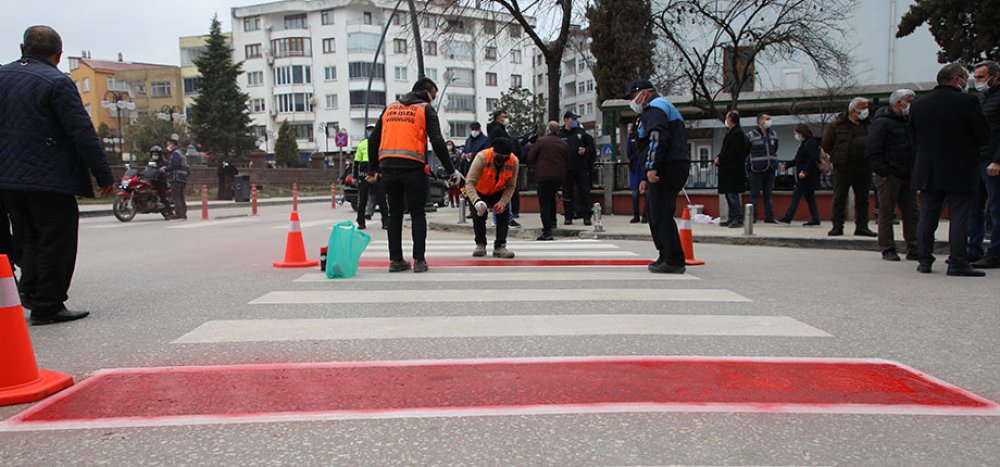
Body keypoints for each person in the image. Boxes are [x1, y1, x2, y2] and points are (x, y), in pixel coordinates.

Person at [0, 25, 115, 325]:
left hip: (7, 179)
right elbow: (81, 132)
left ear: (22, 48)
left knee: (27, 235)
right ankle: (48, 304)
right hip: (49, 179)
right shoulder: (56, 82)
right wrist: (103, 175)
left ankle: (30, 291)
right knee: (56, 239)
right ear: (58, 55)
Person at [367, 77, 459, 273]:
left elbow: (373, 140)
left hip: (388, 169)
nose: (432, 100)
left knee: (394, 214)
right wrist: (451, 170)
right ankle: (419, 260)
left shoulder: (389, 109)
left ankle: (395, 260)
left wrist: (373, 168)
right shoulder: (425, 109)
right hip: (413, 169)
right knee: (418, 213)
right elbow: (437, 141)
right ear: (426, 92)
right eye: (433, 96)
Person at [910, 63, 991, 276]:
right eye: (965, 78)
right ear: (957, 79)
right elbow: (983, 134)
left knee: (927, 215)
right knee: (959, 216)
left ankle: (924, 260)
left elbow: (913, 138)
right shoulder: (967, 102)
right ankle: (957, 262)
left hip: (928, 168)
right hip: (960, 167)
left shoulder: (919, 105)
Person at [626, 80, 690, 274]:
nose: (632, 101)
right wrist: (646, 176)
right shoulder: (660, 108)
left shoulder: (655, 108)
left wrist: (652, 167)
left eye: (633, 97)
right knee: (655, 212)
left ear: (644, 93)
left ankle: (673, 259)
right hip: (669, 165)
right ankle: (665, 255)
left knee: (660, 213)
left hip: (667, 166)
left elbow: (657, 137)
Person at [866, 89, 919, 261]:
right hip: (889, 174)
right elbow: (872, 150)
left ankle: (914, 246)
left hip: (908, 173)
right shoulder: (882, 122)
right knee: (887, 211)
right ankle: (887, 247)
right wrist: (884, 171)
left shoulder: (910, 121)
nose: (912, 104)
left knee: (912, 212)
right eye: (909, 101)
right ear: (897, 103)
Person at [823, 97, 877, 237]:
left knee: (863, 199)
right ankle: (837, 226)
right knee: (839, 197)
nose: (865, 111)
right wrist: (837, 155)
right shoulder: (837, 125)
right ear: (853, 110)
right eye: (862, 107)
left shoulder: (869, 124)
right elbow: (826, 144)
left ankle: (862, 227)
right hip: (843, 166)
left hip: (864, 166)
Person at [465, 138, 519, 258]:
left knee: (503, 216)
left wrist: (503, 202)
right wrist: (476, 201)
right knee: (478, 217)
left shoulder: (513, 161)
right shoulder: (482, 157)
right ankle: (480, 244)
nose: (502, 160)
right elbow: (469, 183)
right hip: (479, 191)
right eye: (499, 156)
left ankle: (500, 246)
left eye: (505, 157)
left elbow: (511, 186)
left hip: (498, 191)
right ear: (493, 152)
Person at [969, 61, 1000, 268]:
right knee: (974, 208)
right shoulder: (983, 98)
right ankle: (973, 250)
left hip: (993, 162)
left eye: (981, 77)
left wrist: (998, 160)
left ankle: (995, 253)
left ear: (995, 77)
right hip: (978, 159)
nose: (978, 82)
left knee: (996, 210)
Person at [527, 121, 568, 241]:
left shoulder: (541, 141)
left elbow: (530, 156)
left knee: (544, 203)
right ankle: (553, 222)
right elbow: (567, 159)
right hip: (559, 177)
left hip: (544, 176)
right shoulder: (563, 143)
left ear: (548, 130)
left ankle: (547, 231)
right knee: (551, 200)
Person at [777, 124, 822, 226]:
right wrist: (787, 165)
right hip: (806, 174)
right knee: (809, 197)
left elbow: (812, 158)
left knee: (796, 195)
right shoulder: (806, 143)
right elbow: (798, 160)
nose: (796, 136)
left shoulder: (810, 143)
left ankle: (788, 217)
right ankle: (815, 218)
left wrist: (805, 171)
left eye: (796, 133)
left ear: (801, 133)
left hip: (807, 175)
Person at [559, 111, 597, 225]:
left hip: (581, 168)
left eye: (575, 119)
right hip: (566, 169)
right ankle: (568, 216)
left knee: (584, 192)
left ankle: (586, 216)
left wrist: (585, 151)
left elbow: (591, 148)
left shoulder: (582, 133)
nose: (575, 121)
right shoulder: (560, 134)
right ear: (566, 120)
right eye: (572, 118)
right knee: (567, 193)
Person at [486, 109, 522, 228]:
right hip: (501, 162)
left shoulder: (497, 130)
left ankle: (499, 218)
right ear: (498, 118)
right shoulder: (497, 130)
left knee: (501, 190)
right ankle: (507, 218)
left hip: (498, 161)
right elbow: (504, 144)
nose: (505, 119)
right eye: (503, 116)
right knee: (505, 190)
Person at [715, 110, 748, 228]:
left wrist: (721, 158)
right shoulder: (732, 132)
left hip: (733, 169)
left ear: (731, 120)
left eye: (727, 118)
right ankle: (731, 217)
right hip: (728, 169)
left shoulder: (738, 133)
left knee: (733, 195)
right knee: (729, 195)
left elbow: (733, 151)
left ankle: (737, 218)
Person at [745, 114, 779, 223]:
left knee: (768, 194)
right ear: (760, 121)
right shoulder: (750, 135)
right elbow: (746, 150)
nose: (769, 121)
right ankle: (752, 216)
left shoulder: (773, 134)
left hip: (770, 168)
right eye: (767, 119)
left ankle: (769, 216)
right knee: (754, 194)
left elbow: (775, 148)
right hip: (756, 168)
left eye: (770, 119)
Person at [354, 124, 387, 230]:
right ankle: (361, 222)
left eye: (372, 130)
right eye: (369, 130)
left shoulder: (381, 142)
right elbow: (357, 162)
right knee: (362, 200)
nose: (370, 132)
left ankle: (385, 222)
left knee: (382, 199)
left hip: (377, 172)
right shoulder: (362, 144)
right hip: (364, 173)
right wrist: (355, 176)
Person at [163, 135, 189, 220]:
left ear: (173, 144)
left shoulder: (175, 153)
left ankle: (178, 213)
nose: (168, 145)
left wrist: (166, 169)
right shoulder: (181, 153)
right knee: (181, 196)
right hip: (182, 178)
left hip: (176, 178)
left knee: (176, 196)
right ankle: (183, 213)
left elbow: (175, 165)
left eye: (169, 143)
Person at [626, 118, 647, 224]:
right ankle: (636, 215)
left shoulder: (647, 135)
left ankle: (645, 215)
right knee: (635, 194)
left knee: (647, 193)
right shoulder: (632, 137)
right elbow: (628, 151)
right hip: (635, 167)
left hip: (645, 166)